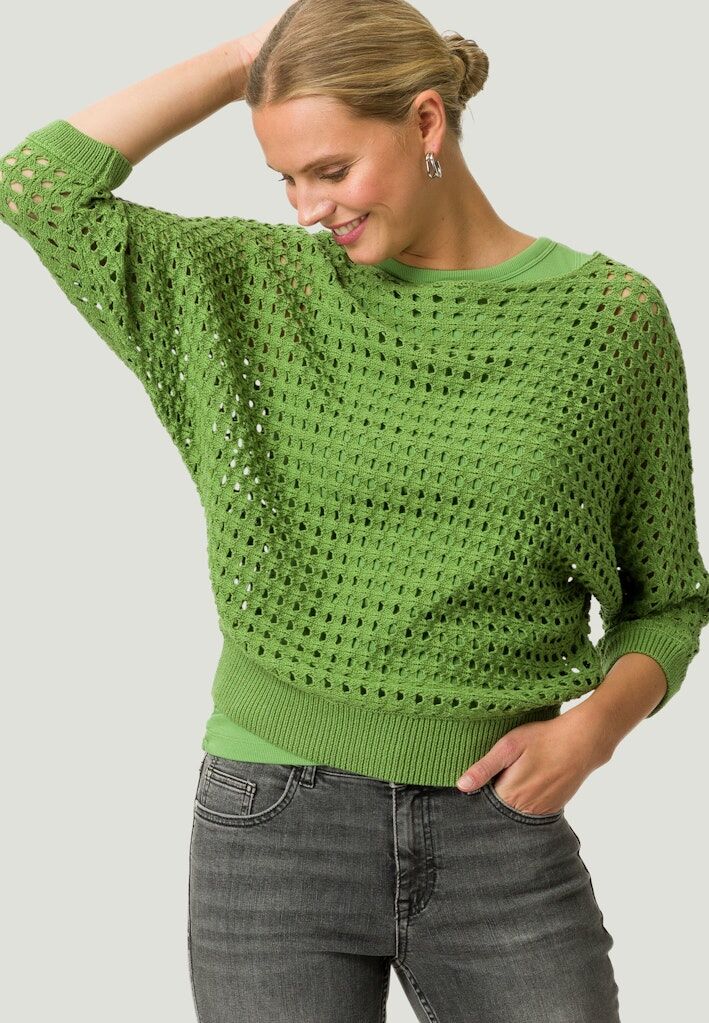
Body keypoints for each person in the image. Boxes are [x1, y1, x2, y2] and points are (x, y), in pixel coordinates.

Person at [2, 1, 707, 1020]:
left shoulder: (606, 322)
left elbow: (668, 601)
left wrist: (593, 731)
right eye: (284, 178)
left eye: (328, 169)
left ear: (425, 122)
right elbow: (38, 185)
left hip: (497, 826)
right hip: (271, 822)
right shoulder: (261, 288)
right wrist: (248, 59)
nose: (306, 208)